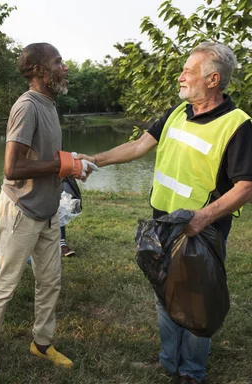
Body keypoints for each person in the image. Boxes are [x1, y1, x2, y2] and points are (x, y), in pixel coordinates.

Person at [77, 42, 252, 384]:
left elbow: (245, 186)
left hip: (201, 229)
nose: (181, 76)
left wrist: (202, 217)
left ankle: (191, 372)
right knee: (164, 293)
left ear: (213, 79)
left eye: (189, 71)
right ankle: (168, 362)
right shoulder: (176, 112)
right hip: (161, 222)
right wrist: (94, 160)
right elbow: (138, 146)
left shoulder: (238, 124)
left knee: (196, 299)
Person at [0, 42, 95, 383]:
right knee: (5, 284)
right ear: (40, 70)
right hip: (22, 210)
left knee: (50, 281)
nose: (65, 67)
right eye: (59, 61)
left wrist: (71, 162)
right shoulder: (26, 106)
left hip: (49, 210)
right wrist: (62, 164)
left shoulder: (50, 104)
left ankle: (42, 343)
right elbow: (12, 167)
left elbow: (47, 157)